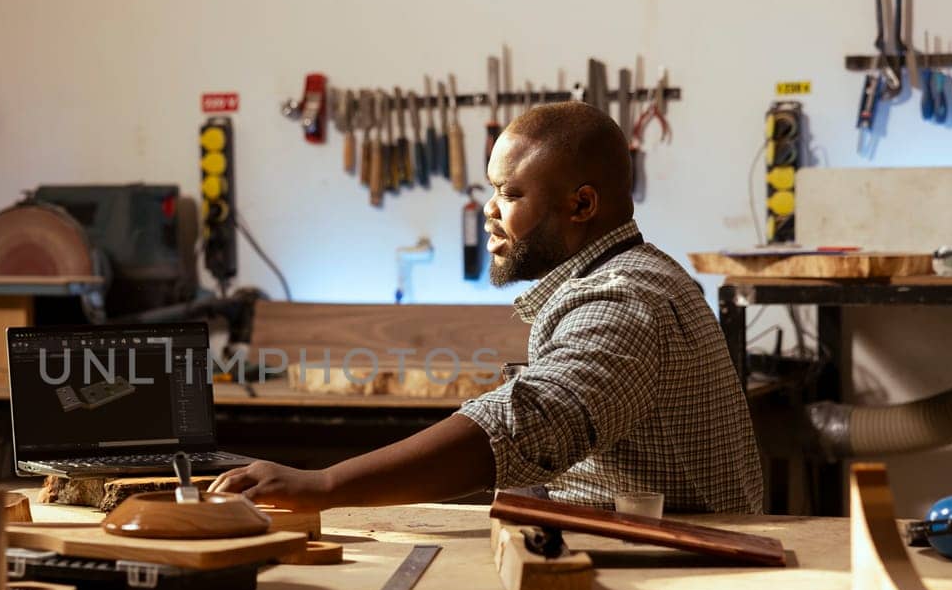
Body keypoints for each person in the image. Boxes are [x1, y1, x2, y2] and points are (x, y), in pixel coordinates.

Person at [211, 101, 763, 514]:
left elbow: (529, 423)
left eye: (512, 194)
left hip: (671, 571)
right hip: (649, 555)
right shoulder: (641, 273)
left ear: (582, 204)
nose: (489, 212)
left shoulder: (623, 298)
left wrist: (324, 485)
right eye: (492, 191)